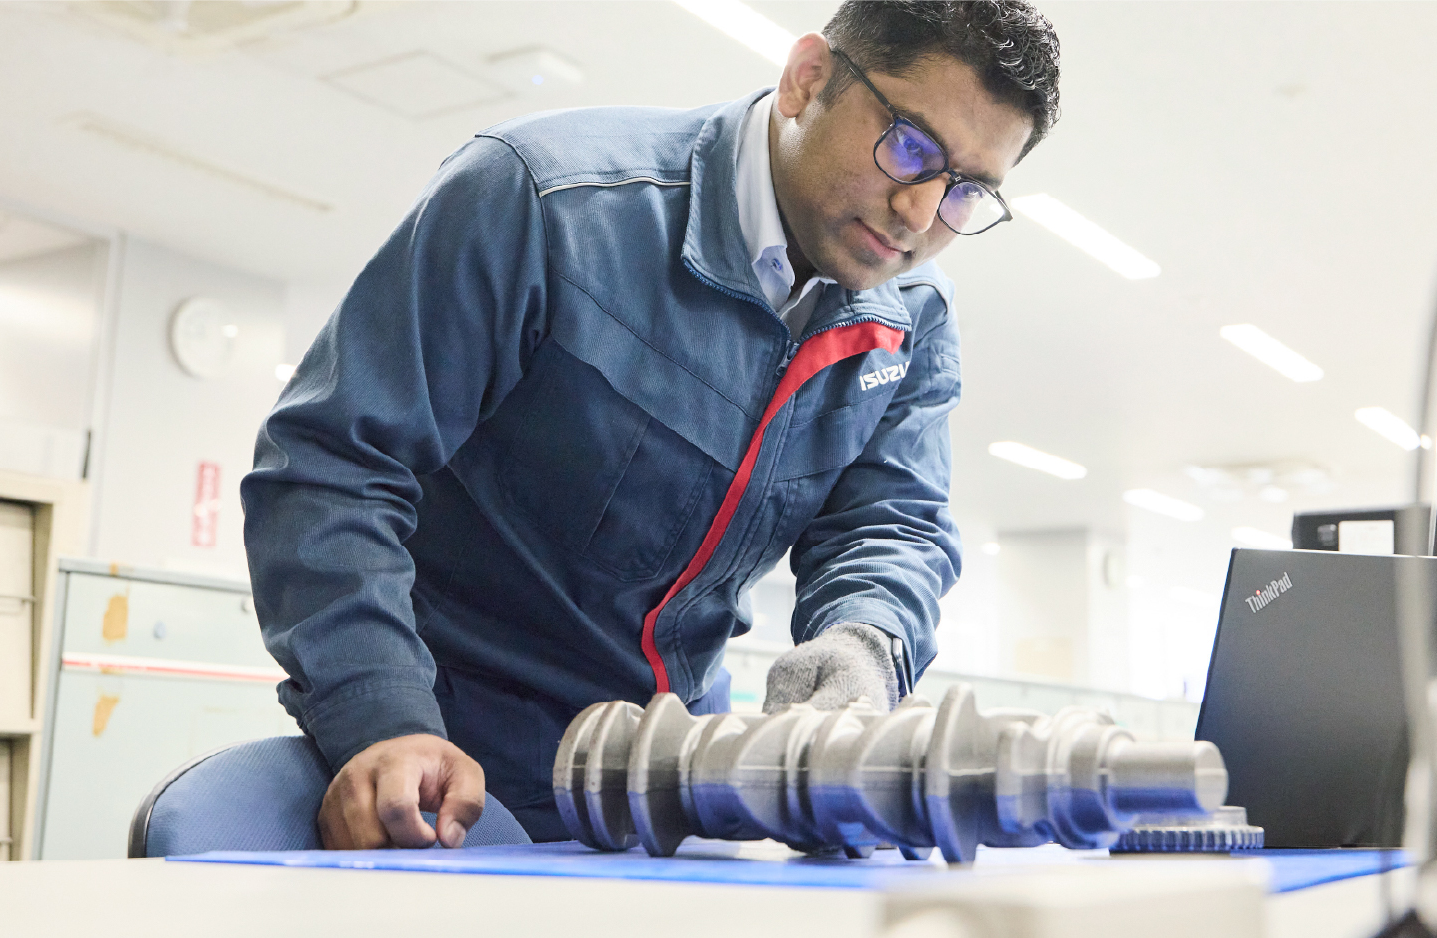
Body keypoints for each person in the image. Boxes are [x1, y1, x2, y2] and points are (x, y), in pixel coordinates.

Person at [241, 0, 1061, 850]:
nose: (920, 212)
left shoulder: (910, 315)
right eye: (911, 148)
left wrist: (864, 646)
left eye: (968, 190)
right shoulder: (547, 200)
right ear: (806, 79)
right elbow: (334, 464)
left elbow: (889, 526)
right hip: (454, 768)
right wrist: (383, 717)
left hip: (671, 776)